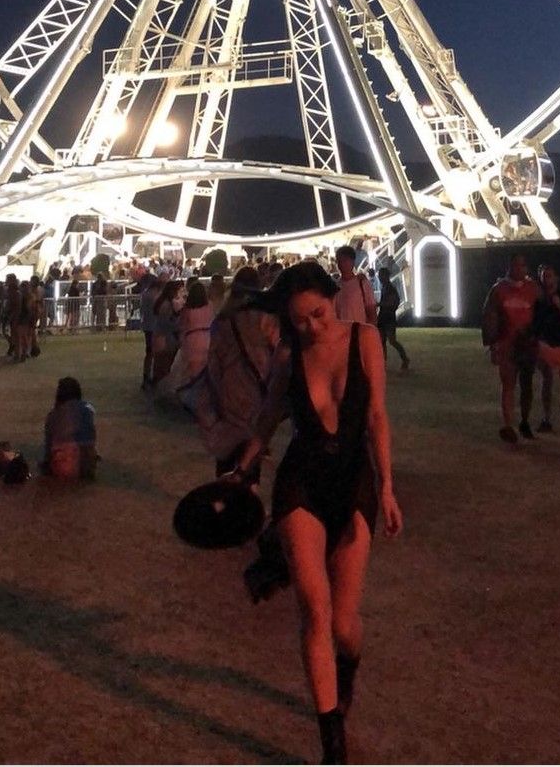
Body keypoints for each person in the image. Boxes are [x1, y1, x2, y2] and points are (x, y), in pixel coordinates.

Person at [236, 262, 403, 764]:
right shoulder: (290, 356)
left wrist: (387, 487)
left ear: (333, 299)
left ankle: (347, 667)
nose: (311, 326)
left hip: (352, 483)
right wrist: (242, 469)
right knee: (315, 612)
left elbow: (376, 416)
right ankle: (332, 744)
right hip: (302, 482)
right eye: (300, 320)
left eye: (318, 313)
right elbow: (268, 417)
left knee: (344, 624)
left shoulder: (365, 340)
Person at [202, 267, 279, 475]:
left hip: (228, 390)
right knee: (251, 447)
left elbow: (213, 362)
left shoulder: (222, 320)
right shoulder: (265, 319)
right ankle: (248, 483)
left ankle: (226, 485)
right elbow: (278, 352)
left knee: (228, 450)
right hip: (257, 390)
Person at [481, 254, 540, 442]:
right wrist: (492, 344)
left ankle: (524, 421)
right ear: (510, 267)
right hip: (507, 345)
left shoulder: (533, 289)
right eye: (516, 265)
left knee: (527, 385)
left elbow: (541, 314)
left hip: (527, 345)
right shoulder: (499, 290)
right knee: (508, 385)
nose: (519, 269)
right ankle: (508, 425)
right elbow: (489, 317)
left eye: (522, 265)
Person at [531, 265, 560, 431]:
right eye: (544, 276)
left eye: (549, 276)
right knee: (547, 377)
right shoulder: (539, 301)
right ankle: (547, 416)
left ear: (556, 278)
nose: (547, 279)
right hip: (545, 343)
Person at [41, 377, 97, 480]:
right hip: (88, 466)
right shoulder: (88, 409)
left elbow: (48, 446)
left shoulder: (54, 414)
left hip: (66, 467)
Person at [333, 245, 377, 325]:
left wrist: (370, 329)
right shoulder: (335, 286)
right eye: (339, 261)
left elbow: (371, 310)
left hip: (360, 329)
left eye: (345, 260)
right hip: (342, 330)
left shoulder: (362, 283)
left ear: (352, 262)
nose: (342, 264)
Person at [151, 280, 184, 385]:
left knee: (160, 364)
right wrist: (179, 324)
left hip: (160, 336)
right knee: (164, 364)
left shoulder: (163, 302)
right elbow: (167, 324)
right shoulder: (166, 305)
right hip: (165, 338)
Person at [376, 267, 409, 373]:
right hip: (384, 317)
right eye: (379, 276)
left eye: (381, 276)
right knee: (383, 341)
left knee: (391, 341)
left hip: (388, 318)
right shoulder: (385, 287)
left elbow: (393, 303)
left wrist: (379, 304)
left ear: (386, 276)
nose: (380, 278)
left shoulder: (390, 288)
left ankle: (404, 359)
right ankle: (383, 362)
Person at [139, 275, 162, 389]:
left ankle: (146, 377)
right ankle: (154, 377)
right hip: (155, 327)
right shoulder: (157, 295)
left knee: (149, 353)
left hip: (147, 326)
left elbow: (142, 310)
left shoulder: (144, 294)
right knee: (157, 353)